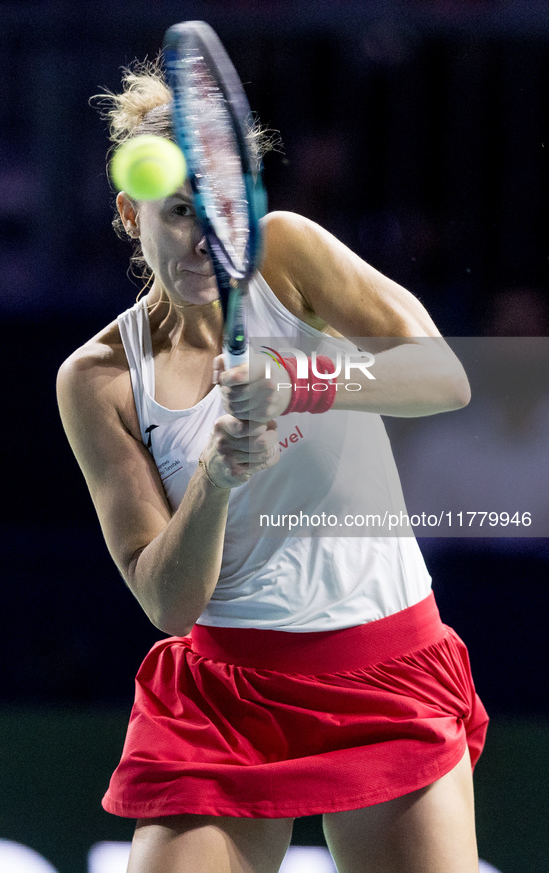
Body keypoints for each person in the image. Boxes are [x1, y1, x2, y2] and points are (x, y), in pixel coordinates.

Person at [57, 58, 489, 873]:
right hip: (225, 700)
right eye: (177, 213)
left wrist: (300, 380)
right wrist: (218, 474)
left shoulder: (287, 255)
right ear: (129, 212)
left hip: (386, 672)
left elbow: (446, 376)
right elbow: (167, 599)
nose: (202, 240)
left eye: (220, 212)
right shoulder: (100, 379)